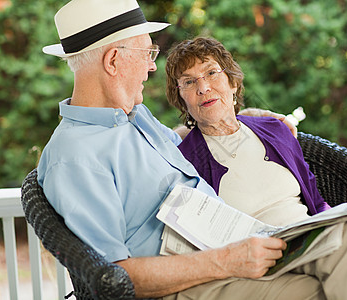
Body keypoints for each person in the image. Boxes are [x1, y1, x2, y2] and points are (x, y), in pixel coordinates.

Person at [36, 1, 309, 299]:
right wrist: (227, 260)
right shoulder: (73, 158)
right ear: (113, 61)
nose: (152, 66)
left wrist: (241, 119)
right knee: (326, 278)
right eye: (147, 53)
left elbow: (179, 141)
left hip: (233, 247)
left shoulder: (134, 116)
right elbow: (113, 279)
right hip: (196, 281)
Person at [165, 37, 347, 299]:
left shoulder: (274, 130)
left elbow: (317, 202)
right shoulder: (184, 160)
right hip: (256, 261)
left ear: (232, 82)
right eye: (189, 82)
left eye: (210, 73)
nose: (203, 87)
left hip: (308, 241)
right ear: (181, 99)